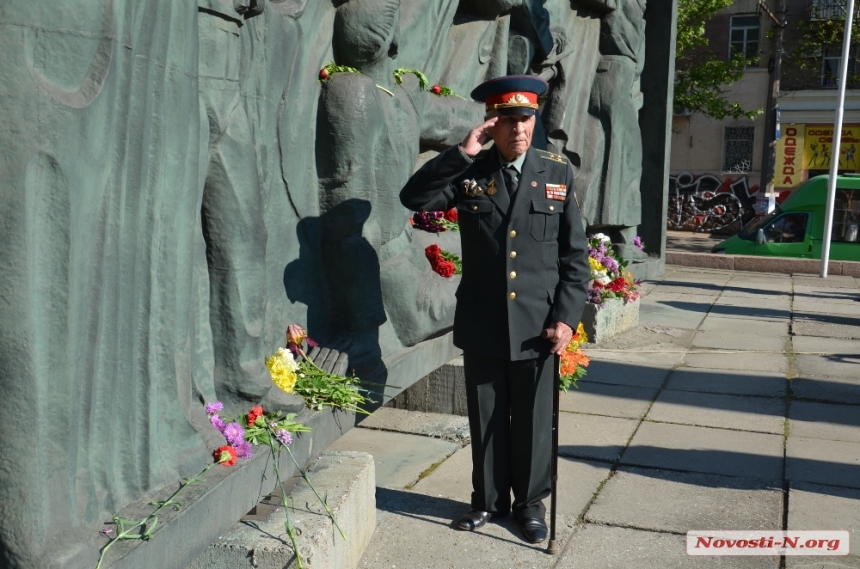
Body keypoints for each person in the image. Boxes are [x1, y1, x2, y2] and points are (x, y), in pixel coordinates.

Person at [400, 75, 590, 544]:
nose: (518, 130)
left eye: (525, 120)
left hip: (538, 326)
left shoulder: (557, 172)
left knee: (531, 421)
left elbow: (574, 258)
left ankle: (529, 505)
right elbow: (415, 198)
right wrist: (462, 153)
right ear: (493, 124)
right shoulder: (470, 171)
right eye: (508, 121)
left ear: (534, 121)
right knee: (485, 417)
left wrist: (566, 318)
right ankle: (486, 502)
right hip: (484, 320)